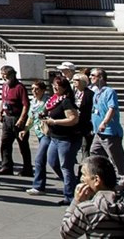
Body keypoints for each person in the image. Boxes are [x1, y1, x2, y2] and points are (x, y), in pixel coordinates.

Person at [60, 154, 124, 238]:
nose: (81, 179)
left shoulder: (87, 210)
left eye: (83, 174)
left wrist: (76, 202)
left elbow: (66, 233)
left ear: (96, 180)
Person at [42, 75, 84, 205]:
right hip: (55, 138)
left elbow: (73, 119)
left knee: (66, 166)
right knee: (52, 162)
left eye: (58, 85)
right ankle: (74, 184)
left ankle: (70, 196)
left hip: (67, 139)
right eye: (54, 84)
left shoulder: (66, 101)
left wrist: (54, 121)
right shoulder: (54, 99)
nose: (55, 87)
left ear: (64, 88)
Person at [89, 68, 124, 191]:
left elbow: (112, 108)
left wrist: (104, 122)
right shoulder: (96, 92)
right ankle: (103, 177)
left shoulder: (110, 92)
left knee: (116, 157)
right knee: (95, 153)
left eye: (93, 75)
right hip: (98, 132)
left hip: (109, 132)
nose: (91, 77)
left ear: (101, 77)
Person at [0, 64, 32, 176]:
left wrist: (22, 119)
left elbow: (26, 105)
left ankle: (27, 168)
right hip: (7, 117)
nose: (4, 78)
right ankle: (6, 166)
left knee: (22, 144)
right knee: (5, 143)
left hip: (17, 117)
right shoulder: (4, 86)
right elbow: (3, 101)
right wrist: (1, 112)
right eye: (3, 75)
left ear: (13, 75)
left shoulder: (19, 87)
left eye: (6, 75)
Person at [27, 80, 53, 197]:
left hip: (47, 133)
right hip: (38, 132)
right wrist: (25, 129)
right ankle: (71, 183)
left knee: (39, 159)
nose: (34, 91)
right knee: (54, 162)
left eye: (37, 89)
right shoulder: (33, 101)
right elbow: (31, 117)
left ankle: (38, 186)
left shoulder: (48, 101)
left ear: (43, 90)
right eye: (32, 89)